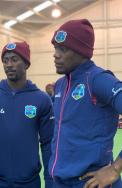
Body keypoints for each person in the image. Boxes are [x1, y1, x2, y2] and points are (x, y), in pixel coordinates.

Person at [0, 41, 54, 188]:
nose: (9, 64)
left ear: (26, 64)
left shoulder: (42, 99)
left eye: (14, 59)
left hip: (29, 183)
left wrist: (50, 183)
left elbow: (47, 143)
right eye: (5, 61)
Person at [49, 18, 122, 188]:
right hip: (60, 181)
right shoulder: (60, 85)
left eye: (63, 49)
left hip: (90, 182)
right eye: (55, 48)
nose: (55, 54)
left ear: (80, 51)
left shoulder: (98, 80)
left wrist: (115, 168)